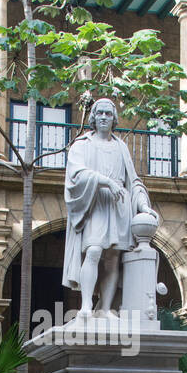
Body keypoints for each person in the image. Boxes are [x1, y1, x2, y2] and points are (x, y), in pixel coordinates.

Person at [62, 98, 159, 316]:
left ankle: (104, 309)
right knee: (94, 250)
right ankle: (86, 305)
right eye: (100, 113)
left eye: (108, 113)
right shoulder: (82, 145)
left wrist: (143, 206)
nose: (104, 117)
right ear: (93, 118)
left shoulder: (121, 147)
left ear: (114, 118)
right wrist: (104, 181)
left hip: (119, 206)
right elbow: (76, 175)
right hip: (95, 204)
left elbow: (133, 181)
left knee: (113, 259)